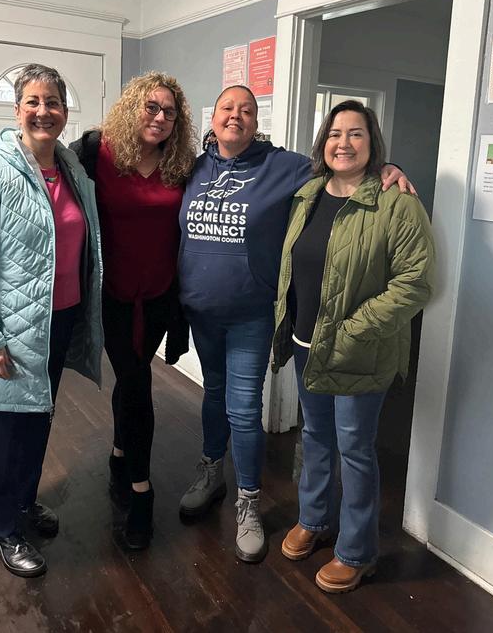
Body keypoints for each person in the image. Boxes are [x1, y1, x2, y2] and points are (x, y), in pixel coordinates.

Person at [177, 85, 413, 563]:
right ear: (212, 117)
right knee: (218, 395)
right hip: (205, 311)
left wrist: (387, 168)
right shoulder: (191, 168)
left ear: (256, 121)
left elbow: (341, 165)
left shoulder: (285, 167)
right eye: (227, 108)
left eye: (247, 110)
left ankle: (249, 501)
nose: (236, 116)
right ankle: (213, 472)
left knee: (246, 409)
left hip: (253, 313)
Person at [273, 99, 435, 592]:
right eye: (335, 133)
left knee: (355, 449)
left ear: (373, 143)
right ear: (323, 142)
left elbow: (415, 283)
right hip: (306, 343)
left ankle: (357, 551)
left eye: (356, 133)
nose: (343, 143)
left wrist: (354, 330)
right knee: (315, 437)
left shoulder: (397, 203)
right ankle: (314, 519)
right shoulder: (307, 195)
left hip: (359, 349)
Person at [0, 64, 103, 578]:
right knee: (2, 432)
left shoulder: (73, 172)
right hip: (8, 331)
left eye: (53, 102)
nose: (44, 111)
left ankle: (21, 502)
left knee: (37, 418)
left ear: (65, 111)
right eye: (33, 102)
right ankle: (2, 528)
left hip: (57, 320)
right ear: (17, 110)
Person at [71, 71, 196, 550]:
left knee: (131, 378)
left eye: (170, 112)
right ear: (132, 108)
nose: (160, 117)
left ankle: (120, 454)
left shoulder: (182, 165)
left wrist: (383, 167)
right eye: (151, 107)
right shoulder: (94, 154)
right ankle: (141, 492)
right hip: (114, 298)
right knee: (138, 380)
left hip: (161, 299)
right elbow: (42, 167)